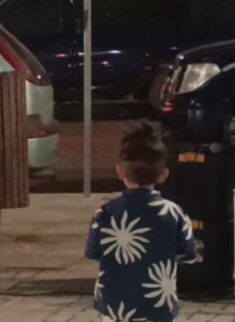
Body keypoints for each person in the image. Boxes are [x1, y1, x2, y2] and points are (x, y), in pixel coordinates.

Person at [85, 122, 200, 322]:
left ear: (120, 172)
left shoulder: (105, 213)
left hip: (115, 305)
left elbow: (93, 252)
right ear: (164, 175)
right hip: (157, 303)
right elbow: (188, 253)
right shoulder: (174, 213)